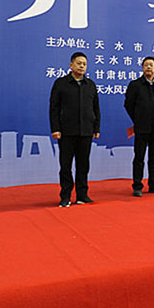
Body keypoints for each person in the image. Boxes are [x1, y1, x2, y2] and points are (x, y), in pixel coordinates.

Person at [50, 52, 100, 207]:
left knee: (83, 165)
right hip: (66, 131)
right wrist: (55, 128)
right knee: (65, 166)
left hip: (86, 131)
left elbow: (96, 108)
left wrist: (96, 127)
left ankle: (82, 195)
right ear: (71, 65)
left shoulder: (90, 85)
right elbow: (54, 108)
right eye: (79, 63)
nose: (81, 66)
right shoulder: (61, 83)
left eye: (84, 64)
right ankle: (65, 196)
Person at [124, 56, 154, 197]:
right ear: (142, 68)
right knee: (139, 157)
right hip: (142, 127)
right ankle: (137, 186)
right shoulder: (135, 85)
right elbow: (128, 105)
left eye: (151, 65)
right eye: (146, 65)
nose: (149, 67)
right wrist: (138, 119)